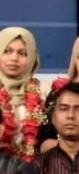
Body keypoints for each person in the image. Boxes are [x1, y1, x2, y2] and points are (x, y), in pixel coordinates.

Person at [0, 26, 47, 160]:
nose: (14, 58)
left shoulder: (43, 94)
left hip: (31, 166)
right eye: (7, 51)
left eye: (22, 53)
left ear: (32, 57)